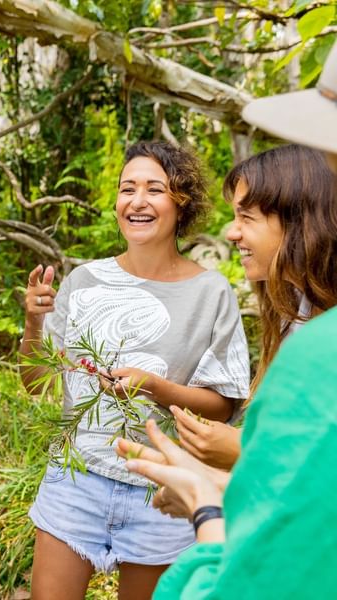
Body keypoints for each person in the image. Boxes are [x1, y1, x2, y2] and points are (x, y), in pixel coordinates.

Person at [117, 41, 337, 599]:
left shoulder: (318, 352)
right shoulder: (296, 320)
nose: (233, 234)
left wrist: (207, 495)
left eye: (247, 217)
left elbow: (255, 572)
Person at [19, 141, 250, 599]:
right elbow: (35, 380)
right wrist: (33, 320)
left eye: (154, 189)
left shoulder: (211, 292)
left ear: (181, 202)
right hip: (75, 479)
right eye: (128, 189)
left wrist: (158, 388)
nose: (137, 201)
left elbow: (224, 406)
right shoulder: (84, 281)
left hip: (160, 488)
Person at [173, 144, 337, 470]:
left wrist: (245, 451)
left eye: (246, 217)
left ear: (300, 222)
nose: (232, 232)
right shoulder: (295, 312)